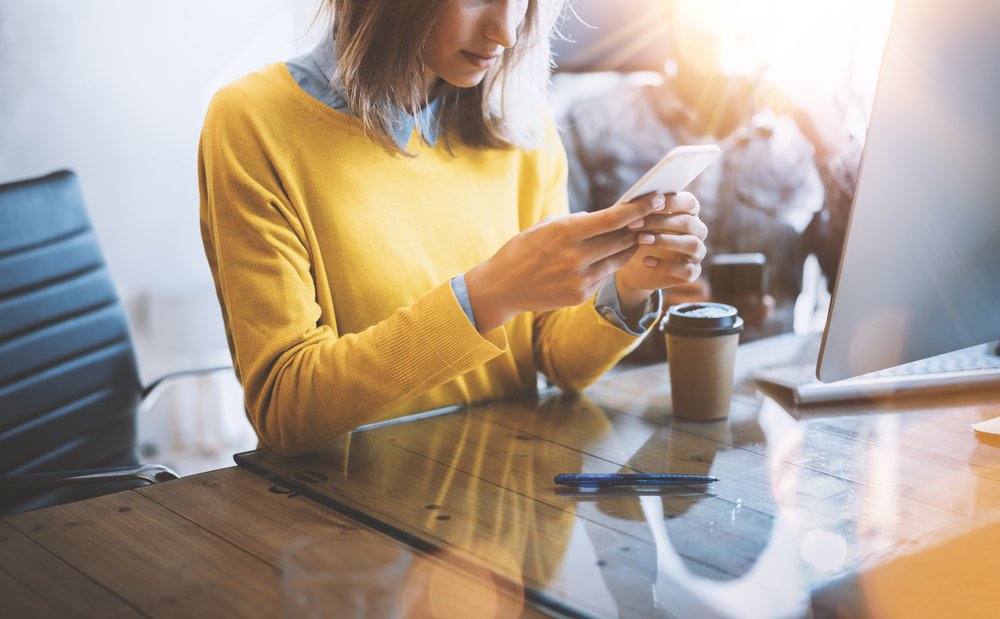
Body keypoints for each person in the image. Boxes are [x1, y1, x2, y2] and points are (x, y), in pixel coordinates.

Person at [198, 0, 709, 457]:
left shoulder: (525, 125)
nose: (507, 31)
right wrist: (489, 295)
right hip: (346, 528)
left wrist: (631, 283)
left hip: (507, 512)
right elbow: (288, 409)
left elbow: (558, 361)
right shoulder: (254, 120)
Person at [560, 4, 862, 349]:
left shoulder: (807, 139)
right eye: (704, 36)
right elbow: (558, 283)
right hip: (627, 374)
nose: (723, 58)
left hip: (761, 372)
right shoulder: (594, 124)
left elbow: (862, 288)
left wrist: (837, 153)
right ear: (671, 21)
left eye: (742, 34)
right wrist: (633, 293)